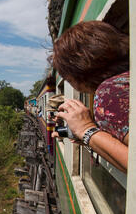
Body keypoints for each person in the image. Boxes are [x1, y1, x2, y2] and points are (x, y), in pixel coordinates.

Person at [50, 20, 130, 173]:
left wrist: (86, 130)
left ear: (77, 72)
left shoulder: (109, 94)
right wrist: (95, 139)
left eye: (67, 78)